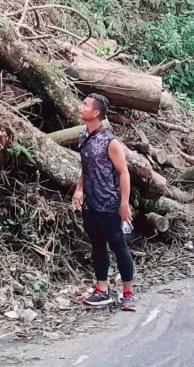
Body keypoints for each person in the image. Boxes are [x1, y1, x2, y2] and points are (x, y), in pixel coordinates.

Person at [71, 93, 135, 311]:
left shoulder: (110, 141)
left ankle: (128, 292)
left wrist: (124, 204)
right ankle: (102, 290)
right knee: (97, 246)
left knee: (118, 245)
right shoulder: (83, 135)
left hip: (109, 203)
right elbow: (85, 166)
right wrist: (79, 189)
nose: (81, 106)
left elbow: (123, 172)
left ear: (96, 113)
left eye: (85, 104)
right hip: (91, 204)